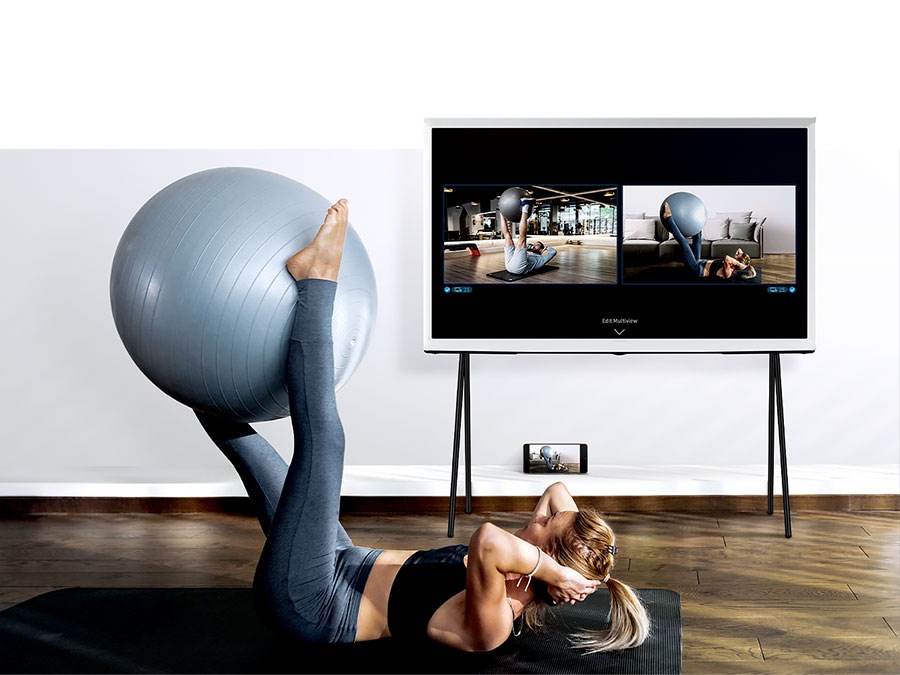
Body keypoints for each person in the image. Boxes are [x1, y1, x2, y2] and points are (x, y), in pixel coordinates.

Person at [196, 199, 649, 653]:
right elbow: (556, 491)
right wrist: (566, 557)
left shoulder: (495, 621)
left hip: (313, 604)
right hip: (339, 559)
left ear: (544, 562)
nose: (539, 514)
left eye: (545, 526)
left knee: (325, 445)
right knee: (237, 436)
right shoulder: (529, 554)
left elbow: (488, 540)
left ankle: (317, 280)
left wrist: (554, 571)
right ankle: (185, 370)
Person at [662, 201, 757, 280]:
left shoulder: (728, 273)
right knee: (698, 235)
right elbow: (739, 249)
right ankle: (692, 215)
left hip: (695, 270)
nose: (736, 254)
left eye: (737, 257)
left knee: (684, 243)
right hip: (698, 262)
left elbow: (727, 258)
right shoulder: (733, 262)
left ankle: (668, 218)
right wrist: (745, 261)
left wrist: (740, 264)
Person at [499, 199, 557, 276]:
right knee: (507, 236)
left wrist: (546, 248)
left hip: (518, 269)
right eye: (535, 244)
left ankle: (525, 205)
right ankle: (501, 212)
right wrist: (532, 247)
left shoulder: (542, 259)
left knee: (522, 237)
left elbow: (553, 252)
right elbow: (527, 246)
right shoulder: (529, 254)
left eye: (537, 245)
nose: (534, 245)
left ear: (541, 249)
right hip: (509, 265)